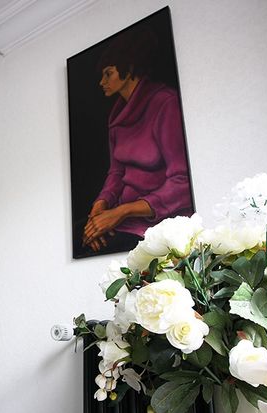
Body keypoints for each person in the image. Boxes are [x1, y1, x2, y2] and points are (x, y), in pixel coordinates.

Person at [81, 27, 194, 254]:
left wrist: (120, 212)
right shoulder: (116, 116)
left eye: (108, 73)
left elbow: (182, 182)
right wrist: (99, 209)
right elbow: (116, 173)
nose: (102, 81)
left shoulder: (165, 104)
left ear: (129, 68)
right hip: (120, 218)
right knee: (83, 240)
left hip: (157, 223)